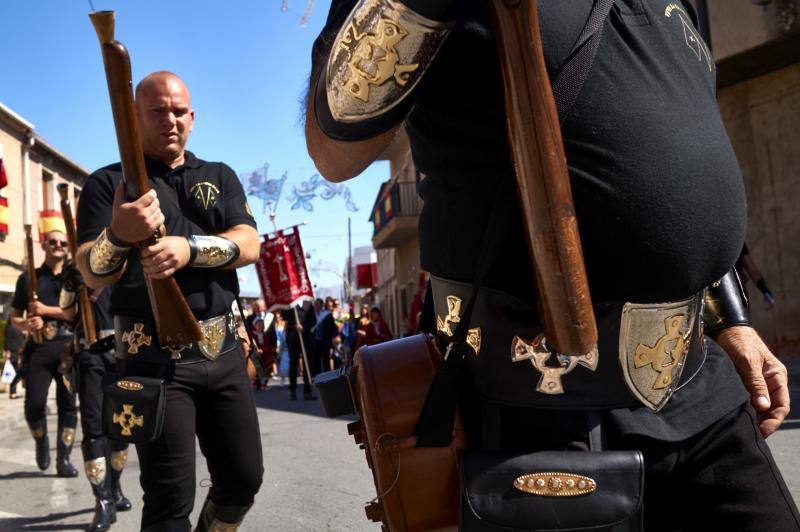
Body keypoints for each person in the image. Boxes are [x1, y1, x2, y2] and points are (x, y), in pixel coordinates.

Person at [305, 1, 798, 530]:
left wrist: (730, 320)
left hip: (700, 392)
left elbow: (680, 150)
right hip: (533, 410)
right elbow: (334, 150)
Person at [75, 71, 263, 531]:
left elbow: (250, 242)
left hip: (223, 352)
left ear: (193, 118)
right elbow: (91, 270)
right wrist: (119, 234)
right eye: (157, 110)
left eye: (179, 110)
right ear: (135, 118)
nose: (170, 119)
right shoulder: (107, 184)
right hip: (151, 360)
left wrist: (189, 249)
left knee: (243, 479)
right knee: (168, 498)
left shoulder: (219, 176)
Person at [61, 278, 131, 531]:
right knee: (94, 429)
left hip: (125, 353)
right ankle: (102, 501)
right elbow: (67, 315)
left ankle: (114, 488)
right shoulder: (78, 269)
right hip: (91, 355)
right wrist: (71, 285)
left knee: (123, 427)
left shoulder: (126, 256)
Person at [9, 227, 79, 477]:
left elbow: (77, 313)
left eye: (62, 242)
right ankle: (41, 441)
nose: (58, 245)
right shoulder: (29, 277)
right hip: (39, 349)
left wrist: (45, 310)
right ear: (43, 244)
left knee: (68, 407)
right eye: (53, 241)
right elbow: (15, 316)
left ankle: (64, 459)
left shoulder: (76, 276)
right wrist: (26, 323)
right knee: (34, 405)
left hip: (69, 348)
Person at [282, 300, 317, 400]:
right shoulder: (289, 304)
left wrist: (303, 327)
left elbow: (313, 320)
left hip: (306, 337)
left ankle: (307, 391)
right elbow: (284, 317)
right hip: (293, 338)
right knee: (293, 363)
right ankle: (292, 390)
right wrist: (287, 306)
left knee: (307, 364)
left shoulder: (308, 304)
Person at [4, 316, 25, 399]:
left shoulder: (10, 328)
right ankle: (13, 392)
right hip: (15, 352)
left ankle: (13, 392)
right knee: (17, 372)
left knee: (16, 372)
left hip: (15, 352)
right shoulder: (12, 328)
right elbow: (10, 341)